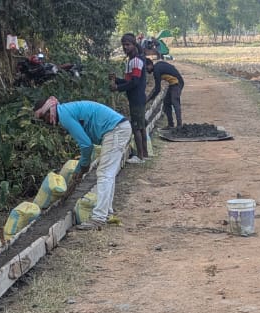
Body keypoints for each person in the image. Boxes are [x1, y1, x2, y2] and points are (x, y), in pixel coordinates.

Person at [33, 96, 132, 230]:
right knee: (108, 174)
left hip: (115, 130)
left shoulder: (64, 116)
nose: (45, 122)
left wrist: (83, 165)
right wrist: (82, 166)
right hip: (118, 128)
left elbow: (86, 145)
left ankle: (99, 218)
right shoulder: (65, 111)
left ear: (48, 110)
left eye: (43, 118)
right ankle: (106, 212)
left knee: (104, 174)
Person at [111, 33, 148, 163]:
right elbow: (129, 81)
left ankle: (140, 157)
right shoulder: (131, 61)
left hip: (137, 98)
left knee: (136, 127)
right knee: (141, 126)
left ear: (133, 45)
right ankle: (145, 153)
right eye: (123, 45)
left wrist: (117, 88)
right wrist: (117, 80)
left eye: (128, 44)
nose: (125, 47)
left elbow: (134, 83)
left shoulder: (136, 61)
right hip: (136, 98)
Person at [148, 58, 185, 129]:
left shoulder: (156, 71)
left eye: (146, 68)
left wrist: (149, 99)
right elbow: (156, 88)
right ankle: (171, 125)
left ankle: (179, 125)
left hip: (177, 83)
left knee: (175, 101)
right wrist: (150, 97)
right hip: (173, 84)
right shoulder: (158, 66)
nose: (146, 70)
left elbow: (157, 89)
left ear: (150, 65)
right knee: (166, 103)